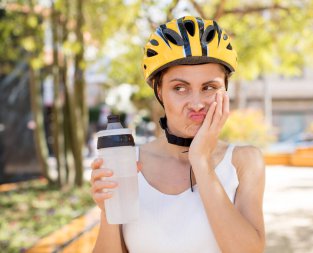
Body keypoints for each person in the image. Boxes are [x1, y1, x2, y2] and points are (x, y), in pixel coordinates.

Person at [90, 16, 266, 253]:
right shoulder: (128, 162)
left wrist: (201, 161)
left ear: (225, 90)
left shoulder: (245, 161)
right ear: (159, 91)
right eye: (179, 88)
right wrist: (107, 211)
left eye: (209, 87)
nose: (196, 104)